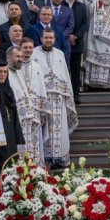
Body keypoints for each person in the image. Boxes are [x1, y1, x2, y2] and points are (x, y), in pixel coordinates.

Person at [32, 28, 78, 168]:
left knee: (60, 128)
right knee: (44, 128)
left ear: (54, 39)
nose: (48, 40)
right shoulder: (34, 53)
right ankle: (46, 160)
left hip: (59, 98)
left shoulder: (60, 54)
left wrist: (69, 95)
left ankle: (61, 158)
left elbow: (65, 75)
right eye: (46, 38)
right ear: (41, 38)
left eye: (51, 38)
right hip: (42, 99)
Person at [7, 43, 47, 158]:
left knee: (29, 146)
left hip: (27, 118)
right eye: (17, 56)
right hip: (16, 118)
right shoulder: (6, 73)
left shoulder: (17, 71)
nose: (21, 59)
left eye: (21, 56)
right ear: (9, 58)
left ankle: (29, 168)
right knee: (19, 148)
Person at [0, 57, 24, 169]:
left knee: (11, 160)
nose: (2, 74)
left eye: (5, 72)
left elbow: (14, 114)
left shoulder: (8, 89)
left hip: (10, 133)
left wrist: (17, 135)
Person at [67, 0, 89, 99]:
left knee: (75, 71)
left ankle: (75, 95)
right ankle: (66, 95)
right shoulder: (61, 4)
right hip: (63, 42)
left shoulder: (81, 6)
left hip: (77, 43)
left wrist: (75, 36)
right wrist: (67, 36)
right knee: (64, 70)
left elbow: (85, 24)